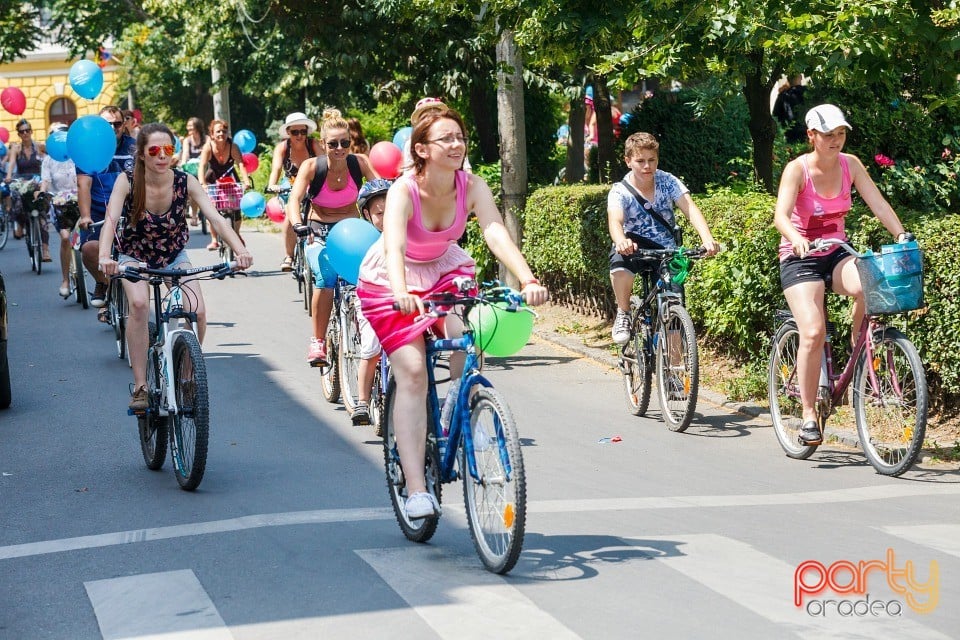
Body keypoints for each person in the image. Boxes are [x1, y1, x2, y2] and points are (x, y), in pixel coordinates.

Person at [356, 107, 548, 519]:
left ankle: (454, 408)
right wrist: (402, 291)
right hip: (392, 279)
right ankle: (416, 489)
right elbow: (394, 246)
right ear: (422, 149)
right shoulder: (403, 191)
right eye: (446, 139)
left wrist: (527, 278)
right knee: (411, 370)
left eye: (460, 137)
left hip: (443, 270)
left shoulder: (472, 185)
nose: (457, 144)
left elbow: (495, 231)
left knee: (465, 341)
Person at [774, 103, 911, 445]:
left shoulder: (851, 165)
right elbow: (780, 215)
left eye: (840, 133)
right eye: (828, 135)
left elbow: (877, 202)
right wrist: (797, 238)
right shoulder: (797, 170)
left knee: (869, 279)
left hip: (836, 252)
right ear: (811, 136)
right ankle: (808, 414)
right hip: (800, 257)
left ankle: (857, 343)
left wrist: (900, 234)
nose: (836, 140)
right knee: (813, 332)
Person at [98, 123, 253, 410]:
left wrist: (241, 250)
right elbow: (110, 220)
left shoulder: (185, 181)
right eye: (154, 150)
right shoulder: (127, 180)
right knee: (141, 306)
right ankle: (141, 386)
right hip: (135, 255)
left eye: (167, 149)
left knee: (198, 311)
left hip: (173, 254)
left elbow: (217, 219)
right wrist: (105, 256)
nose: (161, 156)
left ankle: (186, 374)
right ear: (143, 155)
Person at [285, 107, 379, 366]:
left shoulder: (359, 163)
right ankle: (318, 341)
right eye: (333, 143)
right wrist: (297, 224)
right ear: (323, 144)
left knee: (368, 278)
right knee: (325, 277)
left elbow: (380, 191)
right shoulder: (312, 167)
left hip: (352, 232)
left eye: (345, 143)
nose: (339, 148)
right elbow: (294, 200)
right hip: (319, 231)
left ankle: (373, 334)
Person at [608, 132, 719, 345]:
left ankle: (674, 372)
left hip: (665, 247)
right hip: (633, 246)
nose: (647, 166)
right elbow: (615, 220)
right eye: (640, 161)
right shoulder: (620, 191)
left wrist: (707, 238)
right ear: (628, 161)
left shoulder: (668, 181)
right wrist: (621, 240)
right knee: (620, 267)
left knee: (674, 304)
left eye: (652, 160)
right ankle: (623, 312)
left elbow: (690, 209)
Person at [77, 105, 136, 316]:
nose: (112, 128)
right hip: (98, 212)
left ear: (124, 125)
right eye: (106, 124)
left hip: (130, 211)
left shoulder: (134, 148)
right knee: (89, 249)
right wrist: (85, 216)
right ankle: (104, 283)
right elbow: (83, 184)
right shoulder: (88, 148)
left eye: (117, 123)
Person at [350, 178, 391, 426]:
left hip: (400, 300)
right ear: (367, 214)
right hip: (371, 300)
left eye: (391, 211)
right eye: (379, 213)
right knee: (372, 348)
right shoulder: (366, 241)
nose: (386, 218)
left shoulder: (410, 233)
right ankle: (362, 401)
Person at [267, 112, 321, 272]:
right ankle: (289, 256)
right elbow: (276, 168)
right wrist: (272, 184)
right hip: (289, 184)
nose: (299, 136)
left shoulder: (313, 145)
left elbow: (325, 163)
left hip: (311, 184)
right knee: (291, 218)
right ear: (288, 133)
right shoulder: (283, 148)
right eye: (295, 132)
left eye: (303, 132)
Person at [198, 119, 251, 251]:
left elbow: (240, 164)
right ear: (212, 135)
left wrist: (246, 181)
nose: (221, 133)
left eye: (224, 131)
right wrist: (202, 183)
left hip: (230, 177)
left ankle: (237, 233)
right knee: (212, 209)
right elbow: (202, 166)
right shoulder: (208, 147)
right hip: (213, 177)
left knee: (237, 207)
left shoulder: (233, 146)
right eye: (218, 131)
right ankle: (214, 239)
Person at [39, 123, 78, 297]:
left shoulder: (77, 154)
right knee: (64, 238)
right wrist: (42, 191)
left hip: (80, 199)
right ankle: (65, 280)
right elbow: (45, 181)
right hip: (60, 202)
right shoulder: (48, 160)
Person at [4, 118, 50, 259]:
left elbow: (49, 160)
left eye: (27, 130)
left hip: (37, 180)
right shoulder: (16, 149)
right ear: (18, 134)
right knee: (17, 202)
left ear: (31, 131)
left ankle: (45, 250)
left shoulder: (40, 147)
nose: (25, 133)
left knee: (41, 212)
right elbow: (11, 163)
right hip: (22, 180)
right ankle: (21, 224)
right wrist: (9, 175)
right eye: (22, 131)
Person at [401, 97, 472, 176]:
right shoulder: (410, 144)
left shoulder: (456, 141)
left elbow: (466, 168)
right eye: (426, 117)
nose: (433, 118)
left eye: (437, 113)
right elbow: (408, 174)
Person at [179, 117, 207, 226]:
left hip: (204, 168)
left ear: (198, 127)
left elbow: (208, 153)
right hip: (192, 168)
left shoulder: (206, 139)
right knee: (192, 192)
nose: (189, 128)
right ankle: (194, 215)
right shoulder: (187, 140)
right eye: (188, 126)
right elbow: (185, 153)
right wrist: (183, 163)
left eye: (191, 126)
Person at [773, 76, 807, 144]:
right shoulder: (808, 92)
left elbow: (775, 116)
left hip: (791, 133)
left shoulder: (783, 95)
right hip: (808, 132)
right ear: (801, 78)